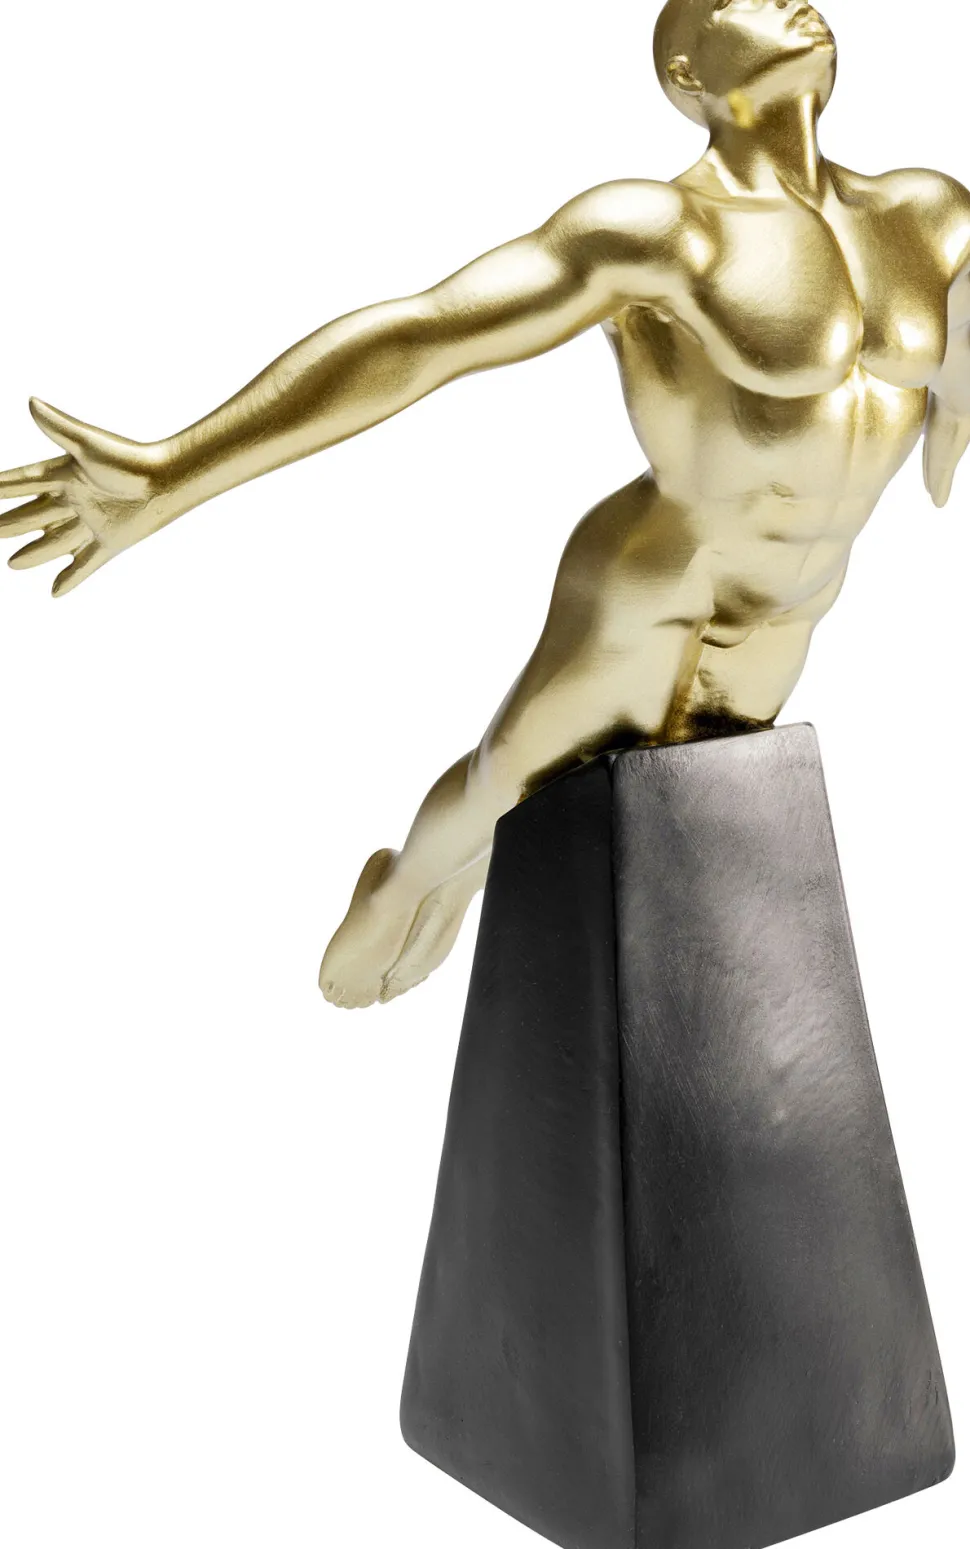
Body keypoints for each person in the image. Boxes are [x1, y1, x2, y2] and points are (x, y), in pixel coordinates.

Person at [2, 0, 970, 1007]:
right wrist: (176, 469)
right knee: (513, 790)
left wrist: (954, 417)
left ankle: (669, 1045)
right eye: (742, 1)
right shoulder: (659, 230)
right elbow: (424, 335)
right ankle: (410, 885)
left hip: (798, 599)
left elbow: (955, 355)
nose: (790, 4)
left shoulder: (925, 214)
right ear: (686, 73)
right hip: (660, 579)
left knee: (703, 817)